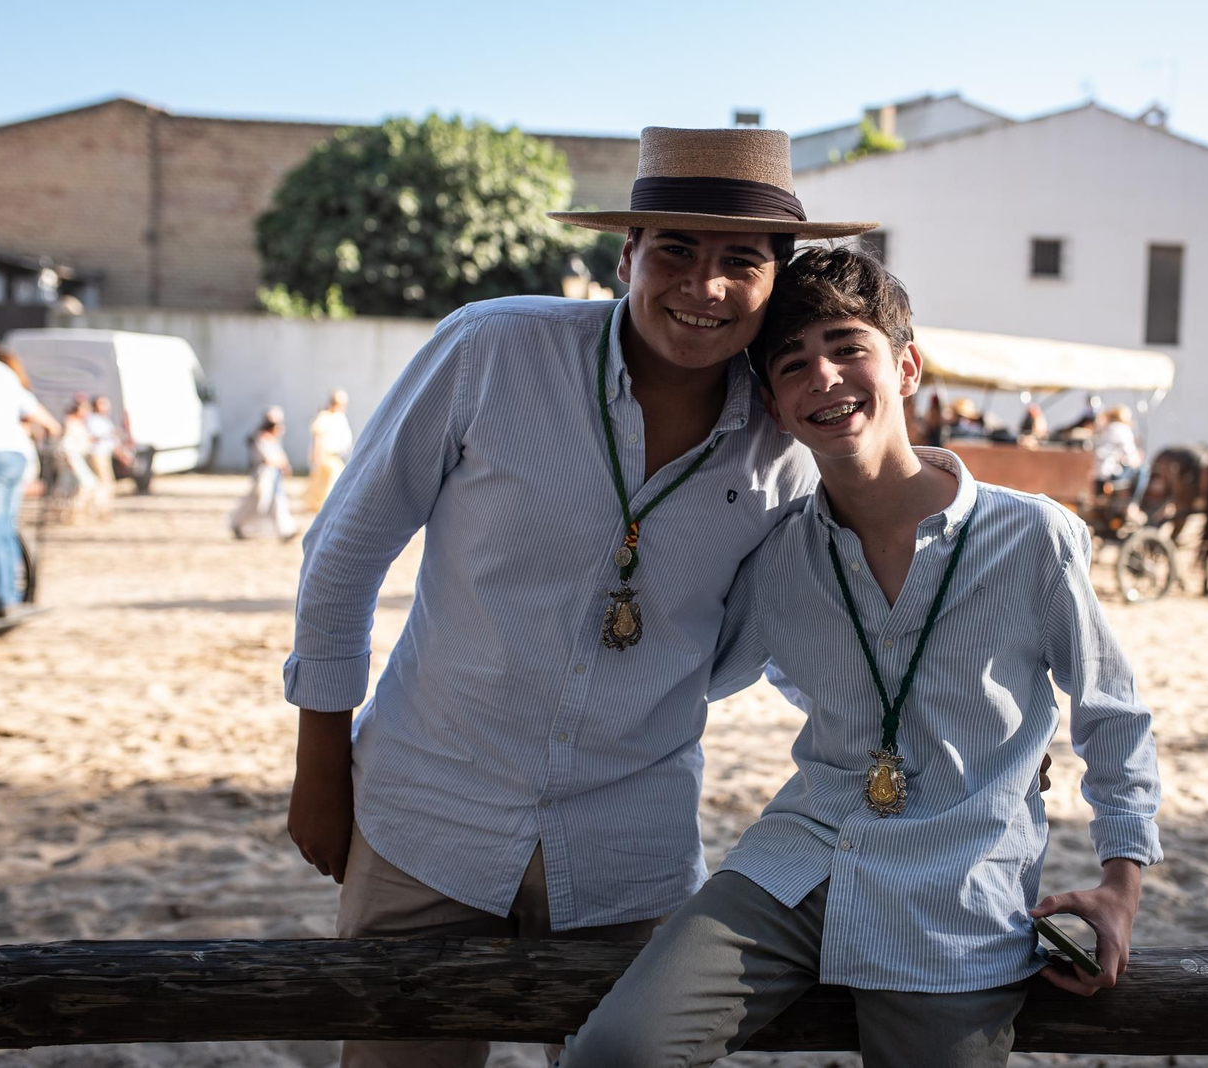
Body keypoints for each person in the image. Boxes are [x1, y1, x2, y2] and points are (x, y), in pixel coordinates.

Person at [283, 126, 877, 1068]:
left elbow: (793, 646)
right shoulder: (490, 350)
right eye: (675, 248)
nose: (705, 286)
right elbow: (345, 550)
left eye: (739, 261)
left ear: (774, 281)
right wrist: (321, 768)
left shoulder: (787, 452)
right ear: (625, 255)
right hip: (427, 810)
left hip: (630, 842)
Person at [565, 247, 1162, 1068]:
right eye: (794, 365)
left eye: (849, 348)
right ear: (773, 406)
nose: (826, 378)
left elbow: (1114, 714)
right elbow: (689, 673)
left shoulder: (1033, 538)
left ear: (906, 365)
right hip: (796, 865)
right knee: (614, 1055)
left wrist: (1120, 889)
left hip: (956, 889)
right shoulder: (776, 559)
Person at [0, 346, 60, 618]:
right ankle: (11, 593)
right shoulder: (0, 370)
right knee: (4, 528)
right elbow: (47, 421)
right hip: (15, 455)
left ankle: (1, 598)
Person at [230, 406, 298, 541]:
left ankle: (286, 530)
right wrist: (280, 463)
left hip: (274, 477)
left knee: (277, 503)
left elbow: (280, 457)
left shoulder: (273, 439)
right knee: (255, 503)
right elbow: (267, 459)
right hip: (263, 477)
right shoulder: (259, 438)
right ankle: (237, 524)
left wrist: (284, 465)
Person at [303, 389, 353, 512]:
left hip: (336, 455)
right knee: (328, 481)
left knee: (334, 480)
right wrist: (316, 456)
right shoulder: (324, 416)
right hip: (325, 455)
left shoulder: (340, 416)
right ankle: (326, 507)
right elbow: (318, 438)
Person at [85, 395, 119, 518]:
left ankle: (104, 508)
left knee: (108, 482)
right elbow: (92, 437)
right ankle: (102, 509)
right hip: (97, 454)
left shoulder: (105, 420)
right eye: (102, 404)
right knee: (103, 482)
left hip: (105, 454)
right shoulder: (92, 419)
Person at [1093, 404, 1142, 480]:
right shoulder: (1124, 430)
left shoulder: (1105, 428)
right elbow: (1129, 452)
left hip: (1099, 470)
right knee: (1142, 471)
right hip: (1114, 472)